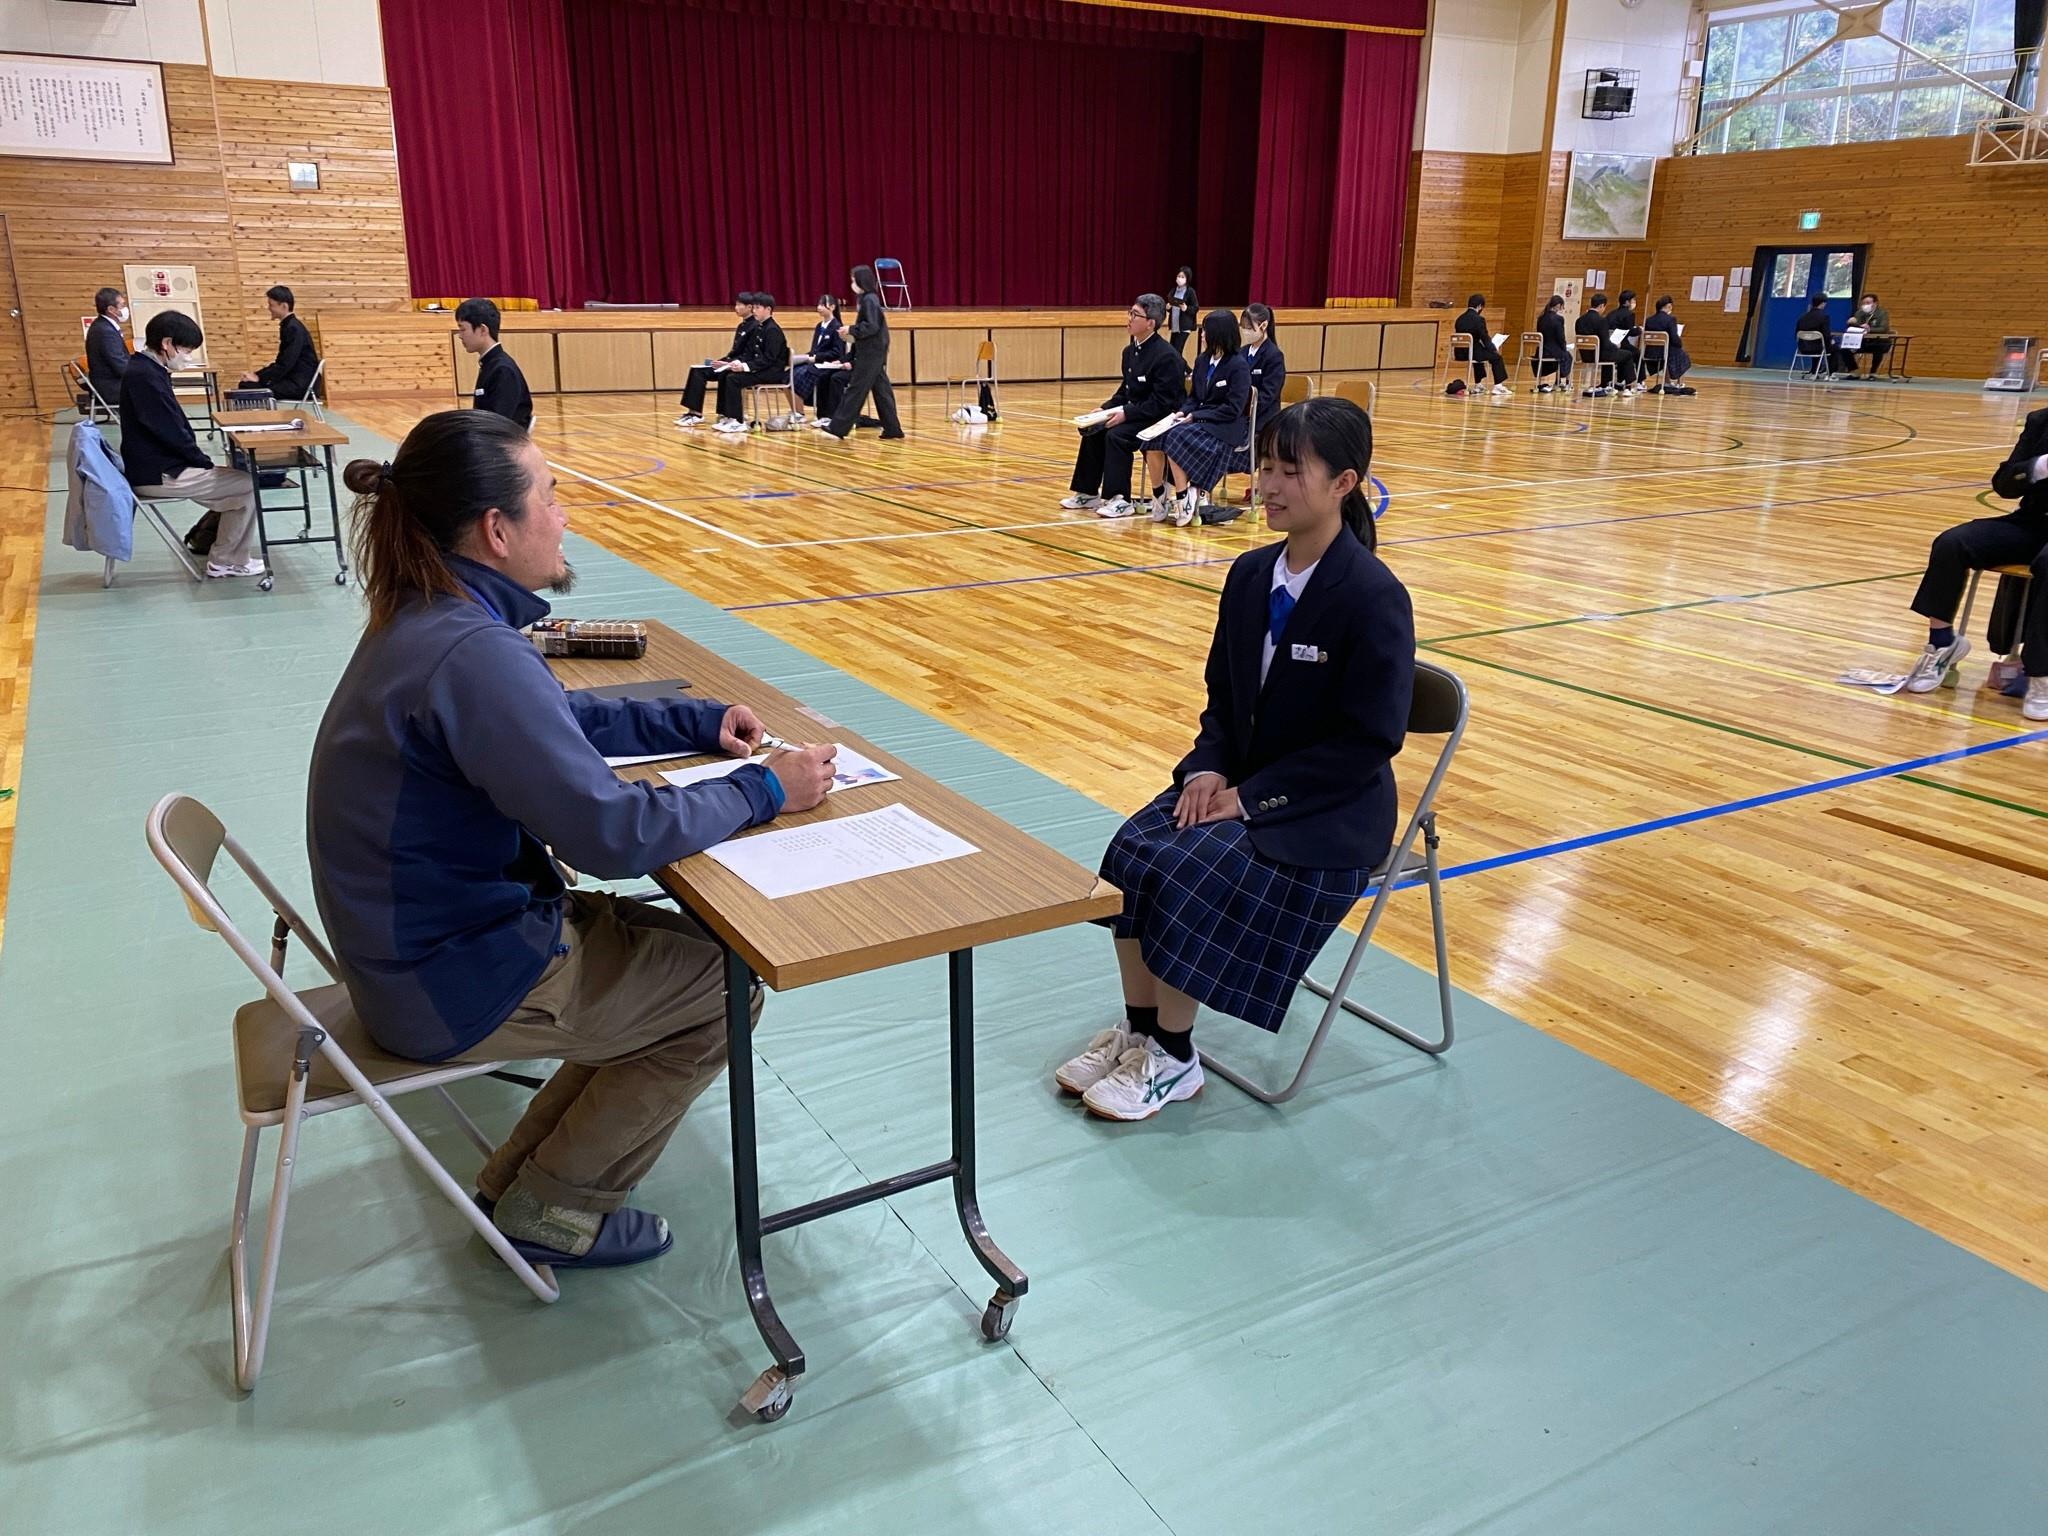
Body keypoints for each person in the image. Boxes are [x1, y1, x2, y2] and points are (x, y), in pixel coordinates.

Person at [308, 410, 840, 1269]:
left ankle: (521, 1183)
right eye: (550, 497)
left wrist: (690, 720)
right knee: (722, 991)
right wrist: (768, 788)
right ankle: (552, 1209)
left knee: (708, 951)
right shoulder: (469, 651)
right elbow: (612, 833)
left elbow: (547, 718)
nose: (564, 516)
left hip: (417, 952)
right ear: (496, 529)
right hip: (450, 980)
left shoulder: (434, 618)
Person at [1056, 396, 1414, 1120]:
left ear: (1345, 484)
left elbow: (1367, 741)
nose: (1269, 486)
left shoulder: (1374, 597)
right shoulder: (1250, 575)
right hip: (1238, 785)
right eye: (1266, 467)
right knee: (1128, 854)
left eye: (1292, 472)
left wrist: (1253, 800)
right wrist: (1209, 770)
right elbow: (1222, 700)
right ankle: (1141, 1030)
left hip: (1329, 812)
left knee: (1189, 871)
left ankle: (1175, 1059)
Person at [1896, 407, 2048, 720]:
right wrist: (2039, 467)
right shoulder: (2041, 421)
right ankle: (1942, 643)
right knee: (1952, 542)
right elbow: (2004, 484)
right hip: (2033, 522)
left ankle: (2041, 671)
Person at [118, 310, 264, 578]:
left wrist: (202, 463)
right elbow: (172, 434)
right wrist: (204, 464)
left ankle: (225, 556)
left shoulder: (146, 369)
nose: (187, 356)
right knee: (249, 484)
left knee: (238, 483)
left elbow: (172, 429)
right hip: (157, 474)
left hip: (156, 467)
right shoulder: (145, 376)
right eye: (185, 349)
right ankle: (227, 560)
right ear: (166, 344)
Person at [1059, 294, 1184, 518]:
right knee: (1094, 429)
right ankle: (1087, 492)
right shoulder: (1129, 352)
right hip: (1137, 412)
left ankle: (1119, 499)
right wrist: (1105, 409)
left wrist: (1126, 414)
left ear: (1150, 323)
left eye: (1135, 315)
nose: (1129, 318)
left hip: (1159, 418)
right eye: (1130, 312)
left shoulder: (1167, 356)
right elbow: (1125, 390)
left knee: (1117, 436)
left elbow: (1162, 403)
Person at [1146, 308, 1251, 527]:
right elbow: (1194, 396)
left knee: (1176, 438)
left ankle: (1183, 497)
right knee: (1152, 439)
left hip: (1224, 425)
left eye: (1207, 331)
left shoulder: (1238, 366)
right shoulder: (1202, 360)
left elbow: (1233, 408)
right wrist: (1183, 411)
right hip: (1198, 418)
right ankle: (1159, 494)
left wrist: (1196, 416)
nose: (1202, 335)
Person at [822, 265, 904, 440]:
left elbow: (871, 326)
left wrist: (851, 329)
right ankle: (892, 428)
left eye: (853, 280)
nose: (852, 283)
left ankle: (838, 427)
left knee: (856, 388)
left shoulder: (869, 300)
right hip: (874, 350)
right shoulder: (868, 299)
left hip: (871, 352)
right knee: (881, 391)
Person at [708, 293, 790, 434]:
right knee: (727, 374)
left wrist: (746, 367)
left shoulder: (772, 330)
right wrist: (736, 363)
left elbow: (768, 359)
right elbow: (751, 353)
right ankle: (727, 416)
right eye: (754, 308)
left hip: (772, 372)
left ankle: (737, 421)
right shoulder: (760, 327)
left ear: (768, 309)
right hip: (761, 369)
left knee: (734, 379)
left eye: (758, 308)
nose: (754, 311)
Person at [676, 293, 759, 428]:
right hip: (730, 362)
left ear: (749, 307)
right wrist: (720, 361)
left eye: (739, 305)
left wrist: (728, 364)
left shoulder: (755, 327)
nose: (736, 308)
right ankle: (693, 412)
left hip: (737, 365)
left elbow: (748, 354)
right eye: (735, 304)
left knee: (725, 375)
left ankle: (719, 414)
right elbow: (734, 352)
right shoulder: (741, 326)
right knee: (697, 370)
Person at [456, 298, 534, 429]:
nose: (460, 335)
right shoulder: (490, 364)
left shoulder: (502, 370)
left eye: (463, 329)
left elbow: (497, 424)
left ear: (482, 330)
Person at [239, 284, 319, 402]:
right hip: (295, 380)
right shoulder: (290, 326)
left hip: (300, 385)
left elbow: (285, 364)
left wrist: (259, 378)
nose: (268, 308)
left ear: (284, 306)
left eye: (271, 305)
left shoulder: (293, 328)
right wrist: (257, 375)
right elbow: (282, 362)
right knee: (248, 385)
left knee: (247, 387)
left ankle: (260, 419)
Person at [791, 294, 847, 424]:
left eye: (823, 305)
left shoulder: (837, 327)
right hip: (815, 362)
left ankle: (818, 414)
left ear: (832, 307)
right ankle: (797, 412)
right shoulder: (819, 326)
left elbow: (837, 352)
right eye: (818, 305)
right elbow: (814, 349)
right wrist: (805, 356)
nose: (819, 307)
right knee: (789, 373)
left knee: (801, 375)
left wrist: (816, 357)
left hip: (827, 365)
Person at [1453, 293, 1510, 397]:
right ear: (1479, 306)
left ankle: (1478, 384)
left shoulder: (1459, 319)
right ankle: (1498, 386)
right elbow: (1484, 337)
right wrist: (1493, 348)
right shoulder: (1479, 319)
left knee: (1479, 353)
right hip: (1472, 352)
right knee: (1496, 358)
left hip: (1460, 352)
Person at [84, 286, 130, 408]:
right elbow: (120, 366)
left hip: (108, 382)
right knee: (154, 386)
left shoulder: (102, 326)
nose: (125, 309)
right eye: (122, 305)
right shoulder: (105, 332)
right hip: (111, 388)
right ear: (111, 309)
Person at [1643, 296, 1695, 395]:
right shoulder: (1670, 319)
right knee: (1681, 354)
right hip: (1665, 351)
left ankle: (1667, 382)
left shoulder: (1649, 320)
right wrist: (1680, 344)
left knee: (1671, 353)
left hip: (1650, 352)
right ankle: (1679, 382)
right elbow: (1674, 338)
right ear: (1668, 306)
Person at [1574, 293, 1620, 397]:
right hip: (1598, 354)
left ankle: (1606, 384)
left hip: (1584, 354)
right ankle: (1625, 385)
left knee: (1610, 353)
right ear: (1601, 306)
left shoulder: (1579, 320)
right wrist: (1615, 346)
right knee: (1626, 355)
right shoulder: (1601, 320)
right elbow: (1605, 342)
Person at [1793, 295, 1847, 375]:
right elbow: (1826, 335)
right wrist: (1831, 340)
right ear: (1823, 304)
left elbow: (1796, 334)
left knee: (1816, 344)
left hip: (1803, 348)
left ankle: (1814, 370)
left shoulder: (1802, 317)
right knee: (1834, 347)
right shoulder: (1824, 317)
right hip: (1818, 348)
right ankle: (1831, 373)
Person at [1845, 293, 1893, 379]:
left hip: (1878, 341)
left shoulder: (1882, 314)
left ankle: (1873, 372)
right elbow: (1856, 327)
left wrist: (1869, 329)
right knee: (1844, 349)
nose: (1865, 305)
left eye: (1868, 303)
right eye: (1863, 303)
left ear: (1875, 303)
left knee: (1878, 348)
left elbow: (1883, 328)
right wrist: (1851, 323)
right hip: (1862, 342)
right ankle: (1854, 371)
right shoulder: (1859, 313)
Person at [1535, 294, 1572, 394]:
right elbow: (1561, 337)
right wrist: (1564, 348)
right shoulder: (1558, 319)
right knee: (1568, 356)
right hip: (1552, 351)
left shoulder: (1541, 318)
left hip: (1541, 350)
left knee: (1563, 354)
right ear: (1558, 305)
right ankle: (1562, 382)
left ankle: (1558, 382)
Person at [1610, 289, 1644, 392]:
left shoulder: (1611, 313)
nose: (1634, 302)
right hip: (1621, 342)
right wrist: (1639, 330)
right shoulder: (1629, 314)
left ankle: (1620, 379)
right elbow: (1630, 331)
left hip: (1610, 343)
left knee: (1627, 352)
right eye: (1633, 300)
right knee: (1637, 353)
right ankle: (1639, 381)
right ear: (1627, 302)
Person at [1167, 266, 1198, 360]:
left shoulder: (1190, 291)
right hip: (1175, 326)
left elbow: (1195, 308)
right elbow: (1171, 304)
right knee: (1172, 351)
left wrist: (1186, 308)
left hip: (1184, 326)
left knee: (1177, 351)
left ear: (1187, 279)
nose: (1179, 279)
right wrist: (1168, 307)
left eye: (1182, 277)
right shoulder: (1173, 290)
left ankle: (1187, 371)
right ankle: (1185, 371)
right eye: (1178, 276)